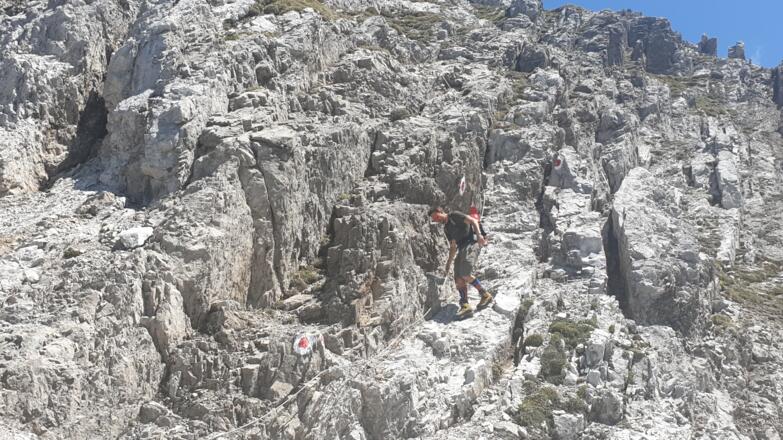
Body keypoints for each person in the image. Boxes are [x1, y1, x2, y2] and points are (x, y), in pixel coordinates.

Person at [429, 206, 492, 317]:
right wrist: (448, 263)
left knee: (465, 273)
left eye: (436, 216)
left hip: (471, 243)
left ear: (441, 212)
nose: (436, 220)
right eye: (434, 219)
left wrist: (479, 235)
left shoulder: (454, 215)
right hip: (461, 248)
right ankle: (465, 305)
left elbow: (472, 221)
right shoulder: (446, 229)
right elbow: (453, 246)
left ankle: (485, 295)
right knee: (458, 278)